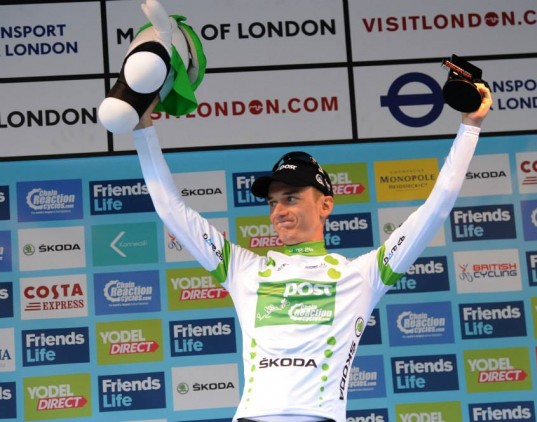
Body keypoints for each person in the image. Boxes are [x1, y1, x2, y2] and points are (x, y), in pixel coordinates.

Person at [132, 82, 491, 422]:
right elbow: (170, 209)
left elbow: (436, 208)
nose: (279, 211)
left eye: (291, 198)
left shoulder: (362, 275)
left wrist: (469, 128)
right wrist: (143, 125)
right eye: (273, 202)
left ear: (325, 205)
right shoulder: (242, 269)